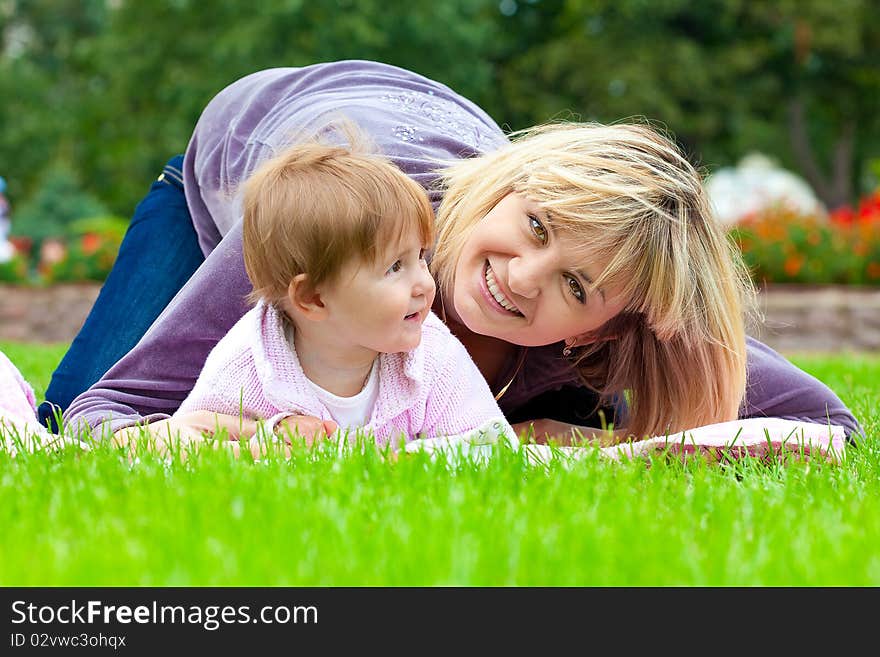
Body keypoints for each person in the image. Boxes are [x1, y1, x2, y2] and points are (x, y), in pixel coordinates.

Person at [50, 60, 861, 445]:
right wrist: (210, 440)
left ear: (612, 325)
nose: (518, 275)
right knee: (54, 424)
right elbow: (102, 417)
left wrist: (627, 443)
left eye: (576, 285)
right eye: (536, 226)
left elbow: (831, 426)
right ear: (511, 187)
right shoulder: (341, 233)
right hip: (239, 168)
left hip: (418, 129)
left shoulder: (630, 328)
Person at [166, 136, 515, 452]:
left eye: (420, 258)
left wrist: (403, 462)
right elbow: (185, 443)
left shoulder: (432, 355)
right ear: (314, 298)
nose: (424, 283)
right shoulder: (250, 362)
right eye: (395, 267)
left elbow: (491, 445)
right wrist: (267, 439)